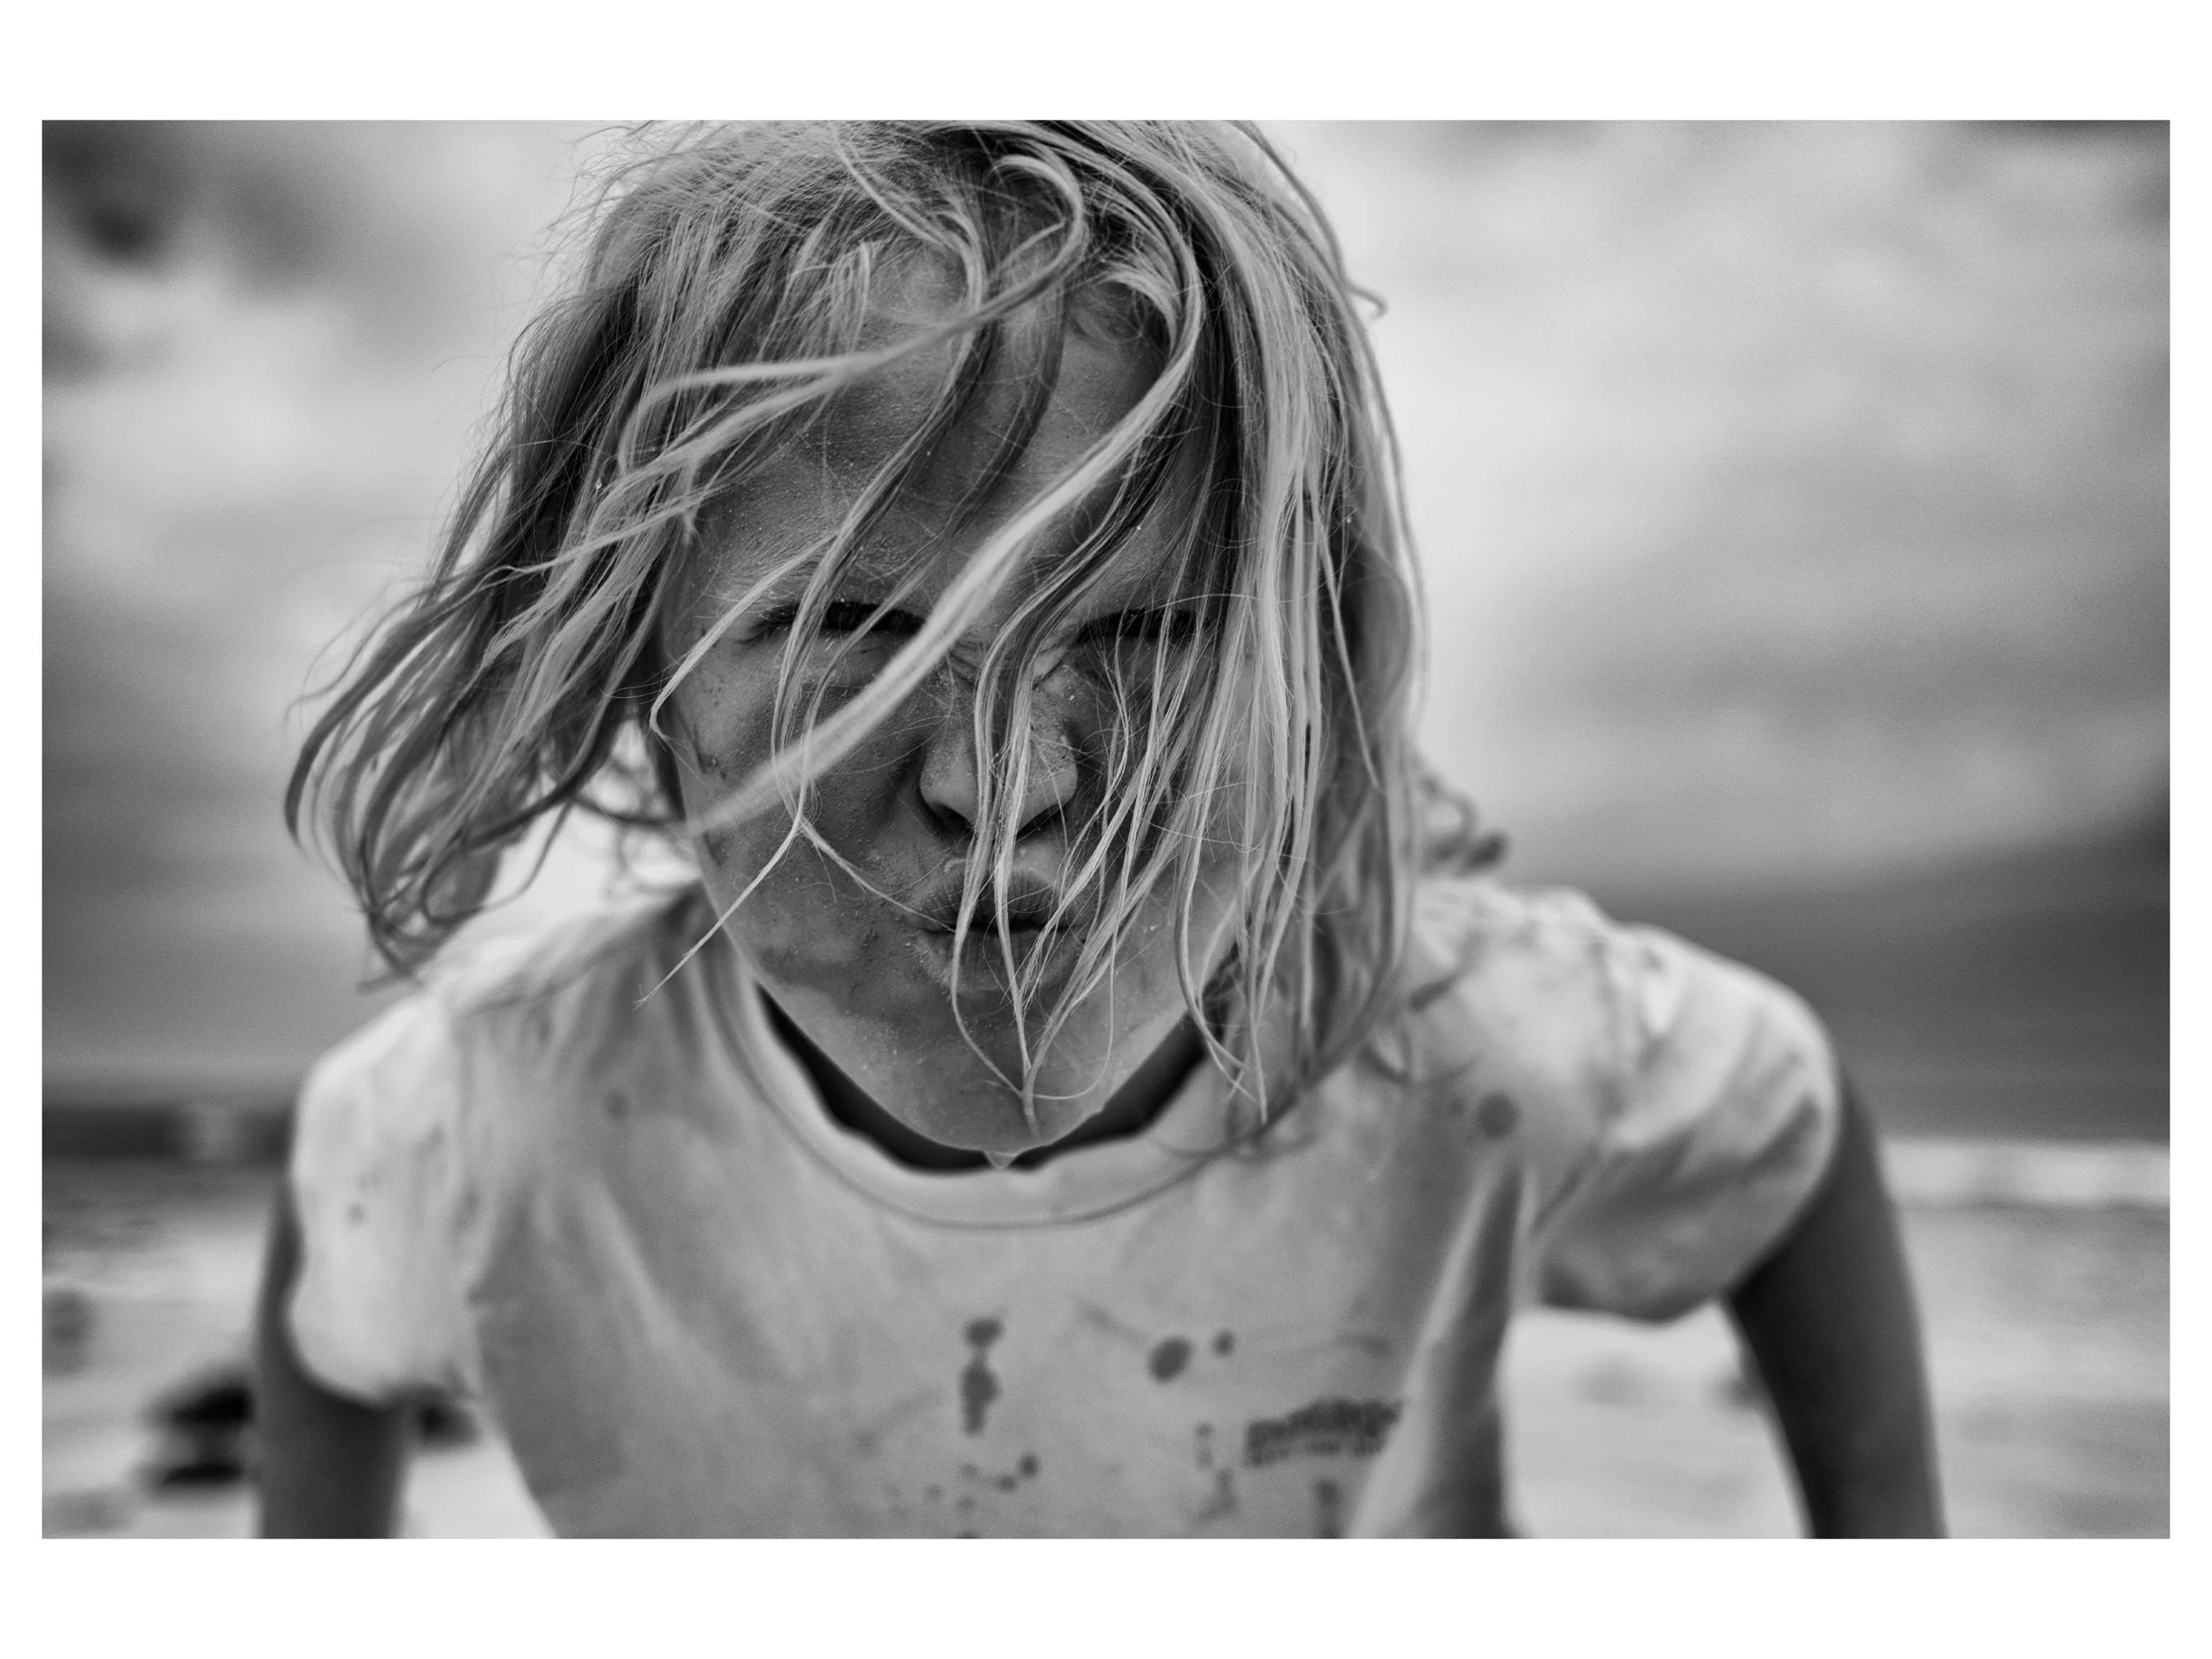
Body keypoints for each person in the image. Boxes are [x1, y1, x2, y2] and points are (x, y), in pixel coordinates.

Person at [256, 121, 1942, 1538]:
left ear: (1313, 679)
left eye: (1147, 634)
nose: (1007, 787)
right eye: (855, 633)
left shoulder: (1455, 1051)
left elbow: (1783, 1137)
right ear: (652, 696)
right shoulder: (504, 1126)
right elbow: (335, 1291)